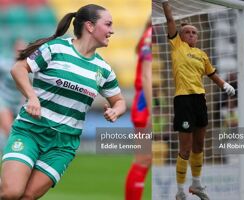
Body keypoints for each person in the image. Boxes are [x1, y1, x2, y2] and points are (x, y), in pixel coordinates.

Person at [0, 4, 126, 200]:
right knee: (11, 193)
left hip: (63, 145)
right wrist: (32, 97)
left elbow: (119, 101)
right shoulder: (56, 48)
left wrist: (116, 111)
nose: (112, 30)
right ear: (90, 27)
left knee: (27, 196)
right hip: (31, 131)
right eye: (108, 24)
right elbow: (19, 69)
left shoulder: (104, 69)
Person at [161, 1, 236, 199]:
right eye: (187, 32)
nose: (191, 35)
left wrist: (224, 85)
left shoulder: (202, 55)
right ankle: (179, 190)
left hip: (200, 100)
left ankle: (196, 185)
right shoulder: (177, 46)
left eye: (194, 32)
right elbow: (169, 19)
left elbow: (211, 74)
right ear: (180, 35)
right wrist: (166, 5)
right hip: (183, 100)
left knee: (199, 145)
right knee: (185, 148)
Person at [125, 17, 152, 200]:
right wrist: (152, 110)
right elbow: (147, 76)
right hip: (145, 107)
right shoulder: (152, 35)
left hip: (146, 106)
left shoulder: (149, 35)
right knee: (143, 160)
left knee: (146, 161)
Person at [0, 39, 27, 154]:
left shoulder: (29, 68)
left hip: (19, 103)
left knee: (17, 131)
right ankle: (12, 155)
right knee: (9, 129)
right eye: (18, 49)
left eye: (22, 50)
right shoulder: (4, 65)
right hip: (4, 100)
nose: (20, 52)